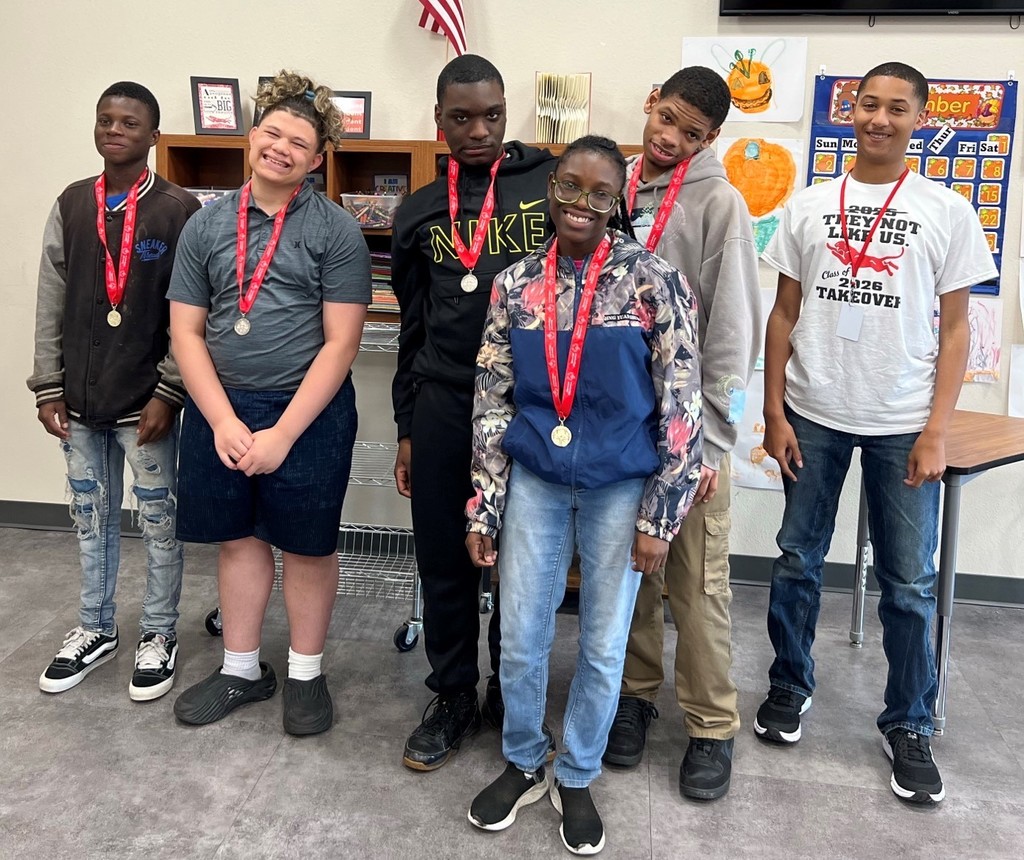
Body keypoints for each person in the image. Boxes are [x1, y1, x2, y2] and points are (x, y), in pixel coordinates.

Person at [757, 61, 996, 804]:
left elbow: (955, 331)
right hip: (813, 411)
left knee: (910, 583)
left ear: (919, 118)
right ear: (849, 110)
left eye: (897, 107)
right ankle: (790, 685)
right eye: (868, 104)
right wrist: (774, 413)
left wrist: (937, 429)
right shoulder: (809, 205)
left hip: (902, 420)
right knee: (797, 560)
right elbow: (784, 315)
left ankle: (909, 722)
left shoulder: (947, 210)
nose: (879, 119)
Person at [465, 135, 702, 854]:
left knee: (602, 644)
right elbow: (493, 398)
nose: (581, 204)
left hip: (619, 490)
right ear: (552, 187)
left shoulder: (653, 282)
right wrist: (485, 504)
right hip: (536, 481)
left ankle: (576, 774)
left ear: (618, 200)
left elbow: (682, 403)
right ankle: (523, 760)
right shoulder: (515, 284)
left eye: (601, 193)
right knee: (520, 636)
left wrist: (661, 516)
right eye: (570, 186)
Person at [168, 70, 370, 736]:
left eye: (299, 143)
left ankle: (306, 674)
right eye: (273, 134)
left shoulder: (336, 230)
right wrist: (221, 418)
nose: (281, 148)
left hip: (307, 414)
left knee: (308, 547)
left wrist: (282, 433)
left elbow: (341, 343)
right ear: (252, 137)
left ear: (317, 160)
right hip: (220, 408)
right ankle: (241, 669)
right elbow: (186, 332)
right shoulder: (206, 224)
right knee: (239, 540)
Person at [390, 54, 556, 770]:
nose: (479, 130)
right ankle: (454, 692)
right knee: (444, 557)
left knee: (520, 560)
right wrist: (406, 425)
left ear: (506, 112)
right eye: (461, 118)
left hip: (529, 406)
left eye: (492, 115)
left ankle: (509, 694)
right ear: (439, 121)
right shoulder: (418, 211)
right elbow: (413, 326)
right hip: (444, 403)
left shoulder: (548, 186)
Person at [604, 67, 761, 801]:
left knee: (697, 587)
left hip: (689, 435)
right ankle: (634, 696)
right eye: (665, 119)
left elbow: (732, 332)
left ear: (712, 138)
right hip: (616, 425)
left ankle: (711, 724)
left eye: (691, 133)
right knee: (631, 575)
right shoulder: (614, 185)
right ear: (649, 103)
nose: (670, 138)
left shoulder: (721, 204)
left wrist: (713, 444)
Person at [29, 82, 199, 701]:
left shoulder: (179, 210)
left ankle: (159, 632)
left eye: (129, 122)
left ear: (154, 135)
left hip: (145, 402)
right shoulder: (72, 203)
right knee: (90, 518)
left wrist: (170, 391)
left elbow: (192, 311)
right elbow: (50, 299)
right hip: (78, 399)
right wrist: (47, 384)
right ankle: (96, 627)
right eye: (105, 120)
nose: (114, 130)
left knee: (158, 522)